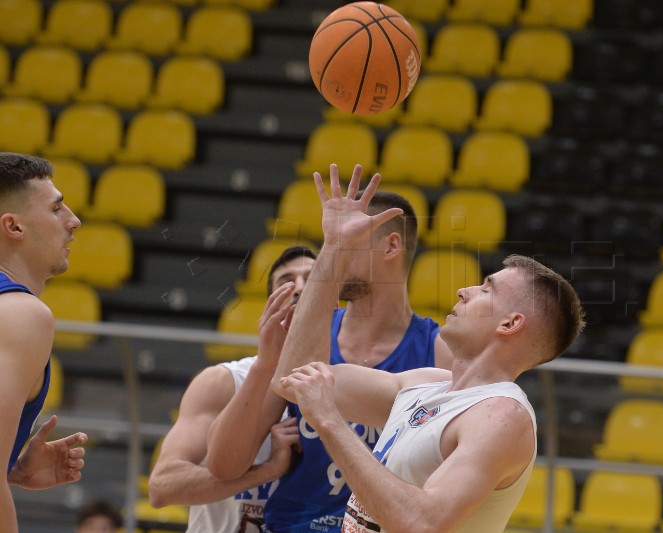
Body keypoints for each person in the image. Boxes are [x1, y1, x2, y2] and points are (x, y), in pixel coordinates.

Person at [272, 165, 585, 532]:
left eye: (486, 289)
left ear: (510, 324)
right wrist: (335, 250)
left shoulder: (502, 417)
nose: (464, 291)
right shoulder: (425, 384)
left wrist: (329, 422)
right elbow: (296, 379)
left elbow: (422, 524)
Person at [206, 172, 454, 532]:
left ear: (390, 247)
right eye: (328, 242)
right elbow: (223, 466)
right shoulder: (306, 337)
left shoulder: (438, 351)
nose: (330, 253)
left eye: (346, 240)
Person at [148, 246, 316, 532]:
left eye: (313, 280)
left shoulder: (357, 383)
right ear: (269, 305)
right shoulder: (222, 381)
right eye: (286, 282)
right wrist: (267, 471)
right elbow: (163, 487)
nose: (299, 288)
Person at [0, 152, 89, 531]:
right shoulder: (20, 314)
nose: (74, 221)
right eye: (56, 209)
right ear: (13, 226)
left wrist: (12, 471)